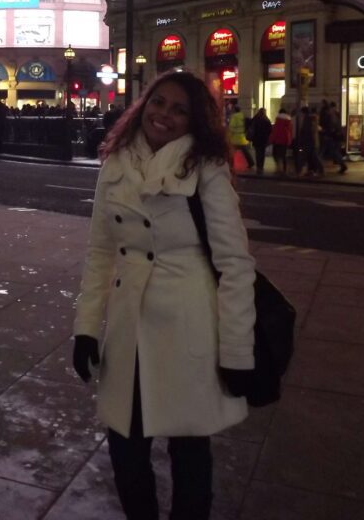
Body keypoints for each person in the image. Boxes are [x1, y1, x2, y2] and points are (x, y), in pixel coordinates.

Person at [72, 70, 256, 520]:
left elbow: (234, 264)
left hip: (187, 325)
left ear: (194, 121)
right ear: (143, 104)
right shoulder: (115, 161)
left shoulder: (205, 167)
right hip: (130, 328)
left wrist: (236, 352)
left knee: (190, 451)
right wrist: (86, 329)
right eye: (158, 102)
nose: (164, 115)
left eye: (179, 110)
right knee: (125, 448)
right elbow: (100, 251)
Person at [227, 104, 255, 171]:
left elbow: (231, 127)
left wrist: (228, 135)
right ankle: (251, 162)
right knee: (245, 151)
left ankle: (230, 164)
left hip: (235, 138)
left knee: (230, 151)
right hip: (242, 137)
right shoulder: (242, 116)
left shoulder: (234, 117)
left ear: (234, 110)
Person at [269, 107, 293, 175]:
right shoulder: (289, 120)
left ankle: (279, 169)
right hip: (285, 140)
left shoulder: (278, 120)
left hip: (277, 140)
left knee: (276, 155)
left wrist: (271, 139)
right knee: (283, 155)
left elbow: (275, 131)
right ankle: (284, 169)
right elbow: (290, 131)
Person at [249, 107, 272, 174]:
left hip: (256, 139)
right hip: (264, 139)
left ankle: (258, 167)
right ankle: (261, 167)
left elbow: (250, 125)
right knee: (262, 153)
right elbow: (270, 130)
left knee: (258, 153)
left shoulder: (256, 119)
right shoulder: (266, 120)